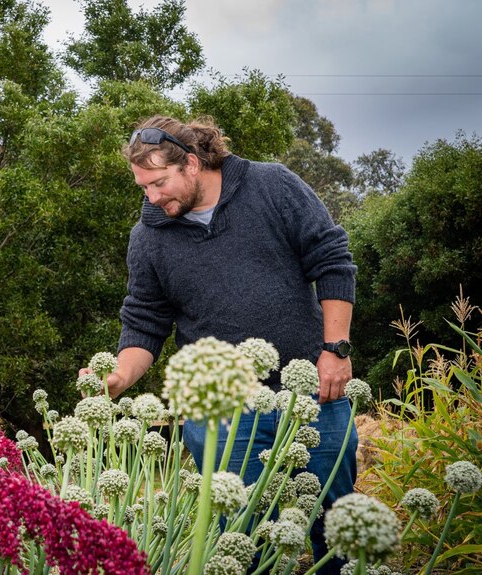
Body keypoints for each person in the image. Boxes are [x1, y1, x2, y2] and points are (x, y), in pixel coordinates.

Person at [85, 115, 357, 574]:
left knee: (337, 531)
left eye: (159, 182)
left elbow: (332, 261)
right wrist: (116, 377)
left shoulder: (271, 185)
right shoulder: (148, 237)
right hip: (223, 413)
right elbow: (145, 324)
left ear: (191, 163)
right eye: (143, 187)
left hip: (314, 394)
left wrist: (336, 349)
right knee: (243, 542)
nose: (151, 197)